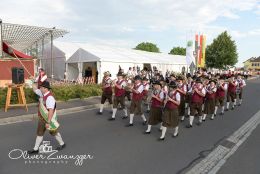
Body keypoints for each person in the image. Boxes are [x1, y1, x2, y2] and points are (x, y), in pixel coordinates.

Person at [28, 81, 65, 154]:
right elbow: (35, 89)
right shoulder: (42, 93)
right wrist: (33, 81)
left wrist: (48, 122)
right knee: (39, 133)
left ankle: (62, 144)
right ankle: (36, 149)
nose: (40, 88)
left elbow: (51, 110)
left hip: (48, 119)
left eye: (41, 87)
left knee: (54, 132)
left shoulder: (49, 98)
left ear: (45, 88)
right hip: (42, 118)